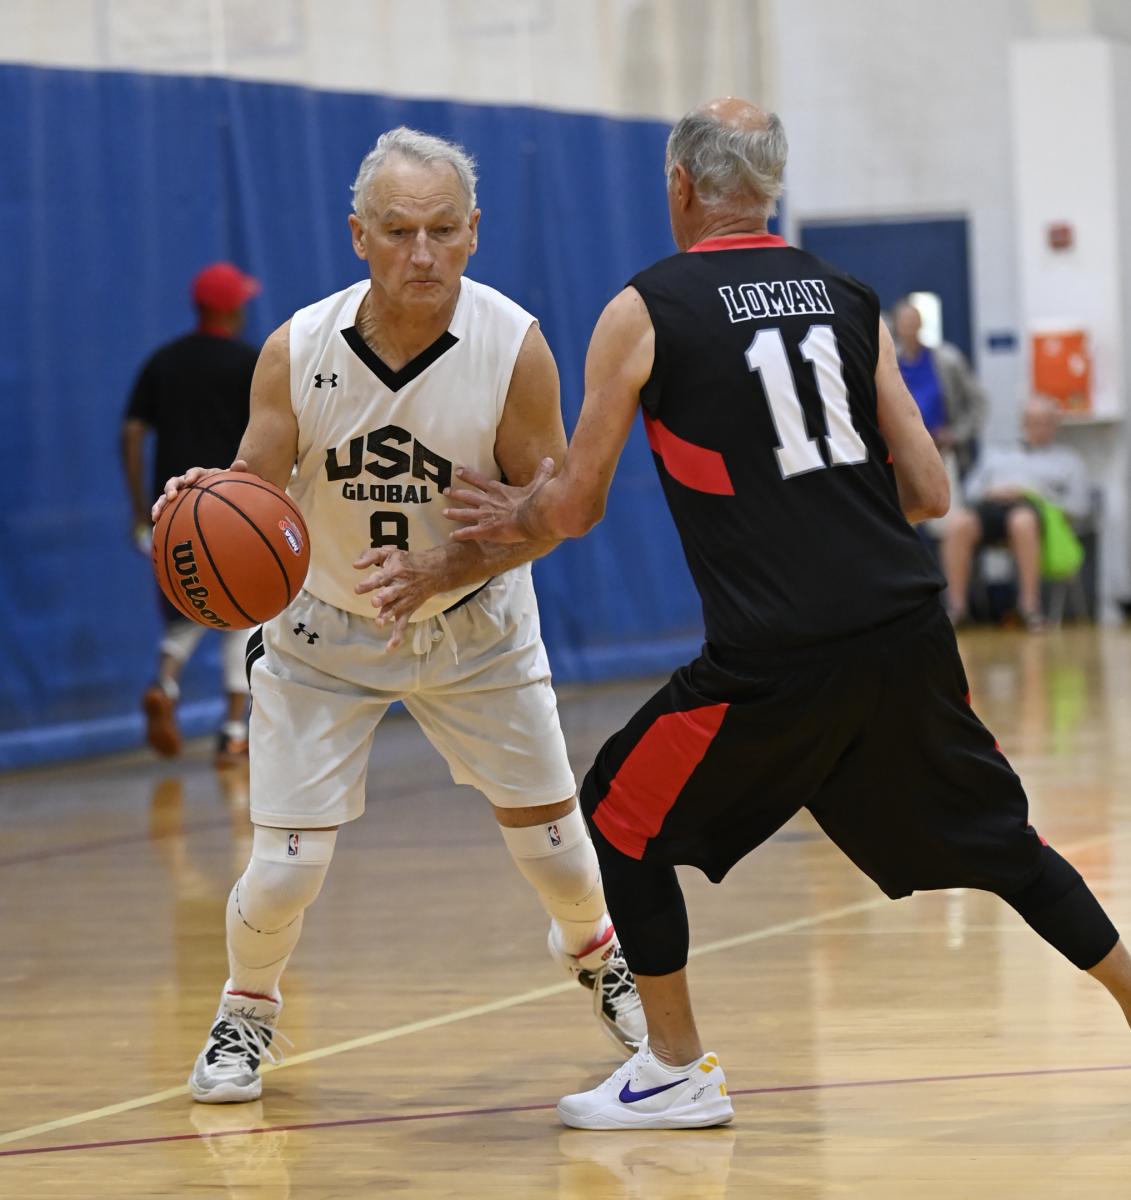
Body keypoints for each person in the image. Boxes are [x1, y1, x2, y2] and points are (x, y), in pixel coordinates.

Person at [444, 98, 1131, 1130]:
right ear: (769, 186)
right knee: (1005, 843)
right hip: (904, 628)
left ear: (681, 185)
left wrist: (515, 513)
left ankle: (673, 1070)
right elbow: (931, 491)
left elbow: (576, 507)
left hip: (778, 649)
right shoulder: (849, 296)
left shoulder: (644, 308)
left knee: (619, 815)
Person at [151, 127, 644, 1104]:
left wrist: (445, 566)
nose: (422, 252)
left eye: (442, 230)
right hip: (323, 629)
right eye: (398, 230)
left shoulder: (513, 347)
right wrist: (203, 499)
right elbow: (256, 485)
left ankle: (595, 954)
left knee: (559, 854)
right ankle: (246, 1011)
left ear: (474, 233)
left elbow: (551, 512)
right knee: (284, 873)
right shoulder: (298, 347)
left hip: (475, 622)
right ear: (358, 235)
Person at [121, 261, 262, 765]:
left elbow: (131, 432)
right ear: (231, 308)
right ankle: (233, 732)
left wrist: (140, 508)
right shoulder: (249, 362)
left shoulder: (164, 360)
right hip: (232, 512)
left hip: (173, 509)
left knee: (187, 610)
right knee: (244, 617)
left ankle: (164, 685)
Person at [941, 395, 1090, 630]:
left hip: (1034, 514)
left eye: (1045, 422)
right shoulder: (998, 455)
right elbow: (970, 491)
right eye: (1033, 422)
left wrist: (1035, 494)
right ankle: (957, 609)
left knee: (1022, 521)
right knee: (958, 523)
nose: (1039, 428)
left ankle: (1029, 608)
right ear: (1023, 423)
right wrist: (991, 492)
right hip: (992, 508)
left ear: (1055, 425)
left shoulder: (1068, 462)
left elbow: (1079, 506)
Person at [891, 296, 985, 478]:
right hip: (903, 452)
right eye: (904, 323)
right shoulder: (889, 364)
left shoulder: (947, 360)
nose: (909, 328)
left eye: (912, 322)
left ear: (920, 324)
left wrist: (956, 434)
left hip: (943, 450)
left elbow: (978, 402)